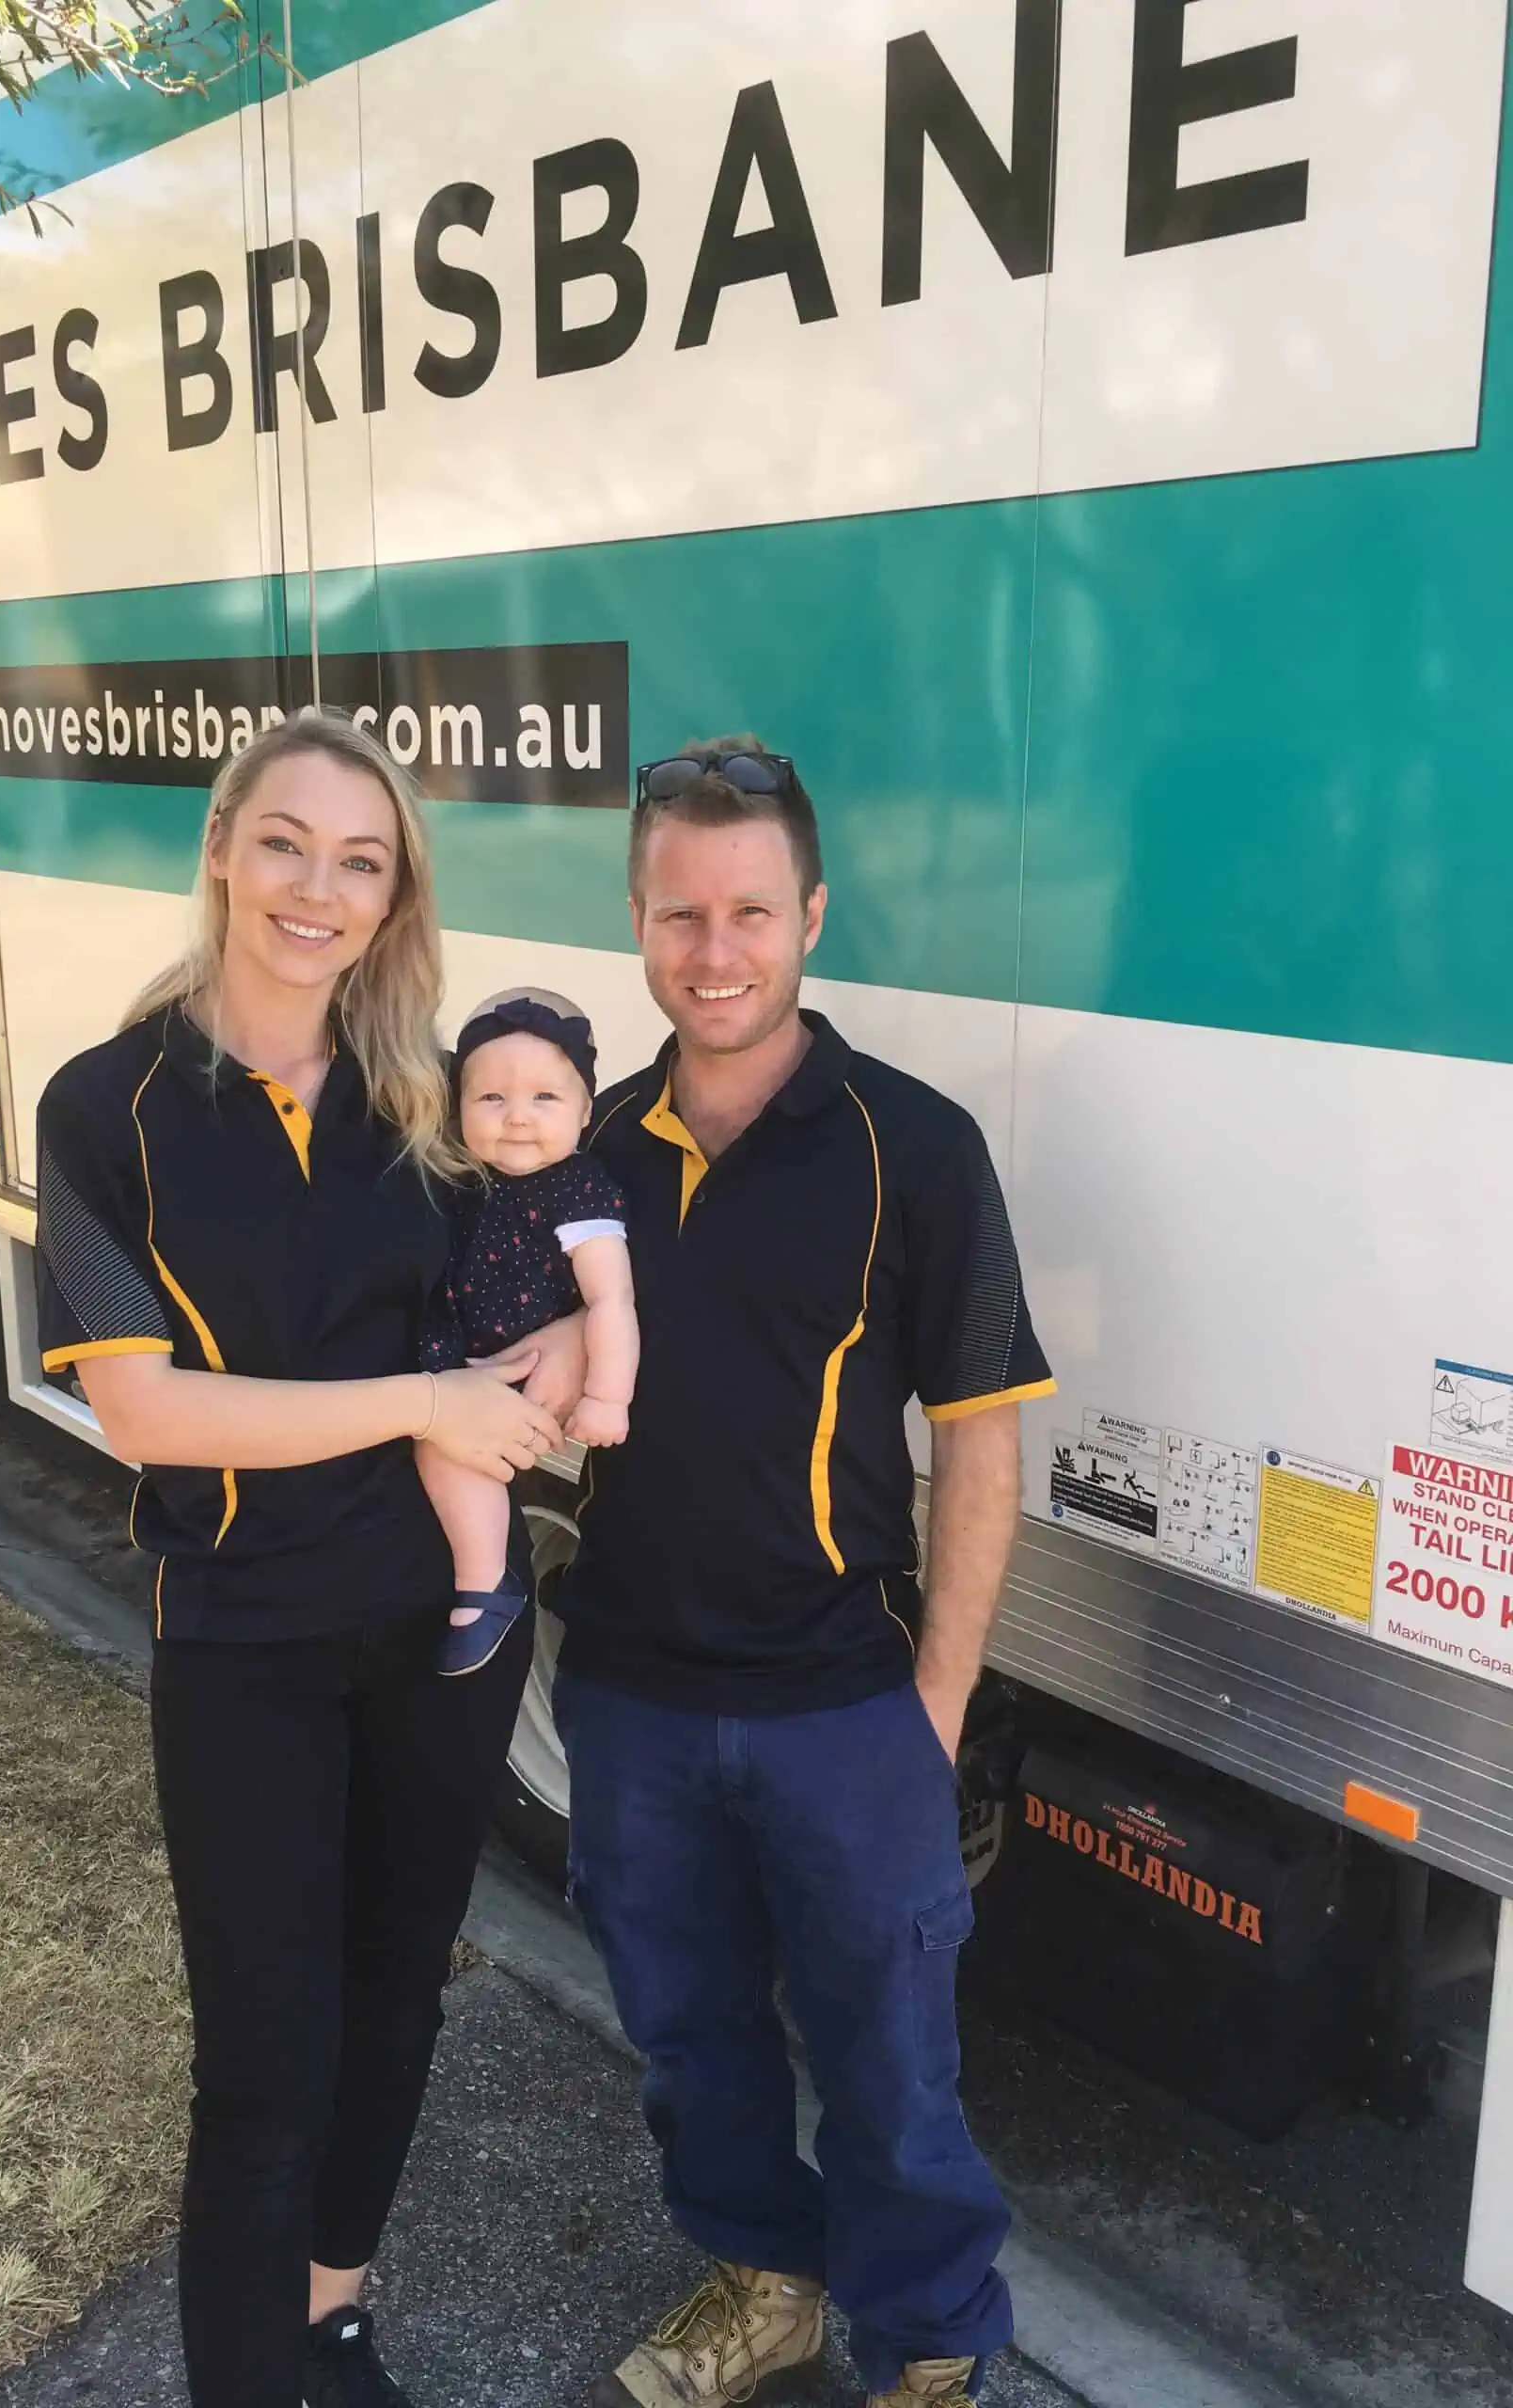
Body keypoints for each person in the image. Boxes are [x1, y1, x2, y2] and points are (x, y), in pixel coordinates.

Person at [32, 710, 571, 2408]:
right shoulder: (107, 1108)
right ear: (221, 848)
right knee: (266, 2069)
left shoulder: (428, 1099)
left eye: (360, 861)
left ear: (393, 892)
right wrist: (421, 1393)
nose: (316, 891)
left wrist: (543, 1381)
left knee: (397, 2006)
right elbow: (143, 1411)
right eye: (285, 844)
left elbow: (557, 1276)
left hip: (442, 1634)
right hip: (250, 1639)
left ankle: (331, 2316)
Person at [556, 740, 1056, 2408]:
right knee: (692, 2044)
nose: (716, 951)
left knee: (893, 2070)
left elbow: (981, 1440)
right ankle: (765, 2285)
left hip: (847, 1704)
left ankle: (927, 2348)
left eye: (751, 910)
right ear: (636, 920)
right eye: (680, 913)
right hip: (629, 1697)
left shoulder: (913, 1146)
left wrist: (935, 1703)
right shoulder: (587, 1156)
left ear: (812, 915)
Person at [416, 988, 638, 1674]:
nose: (517, 1119)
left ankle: (486, 1582)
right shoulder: (459, 1174)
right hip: (455, 1354)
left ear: (585, 1110)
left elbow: (612, 1301)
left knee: (457, 1455)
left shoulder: (581, 1190)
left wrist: (607, 1396)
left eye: (545, 1098)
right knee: (434, 1439)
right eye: (491, 1099)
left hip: (522, 1364)